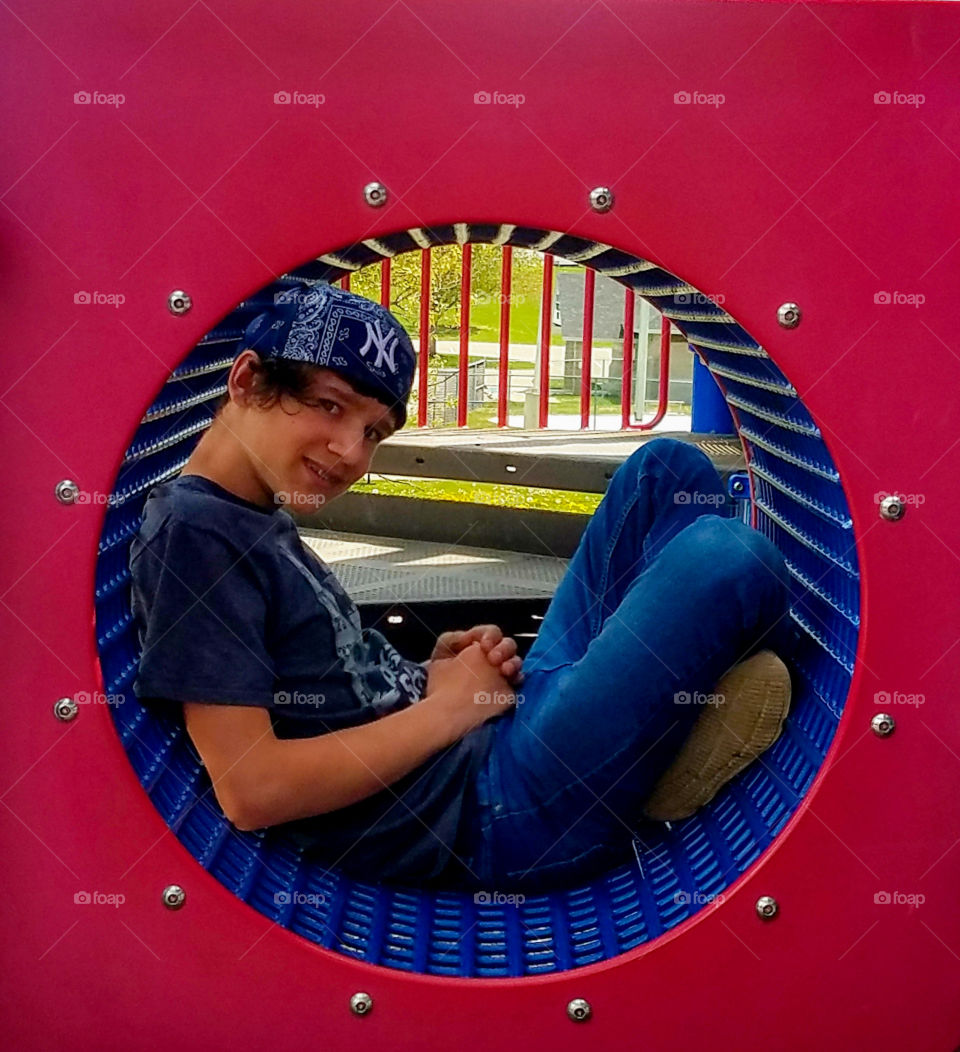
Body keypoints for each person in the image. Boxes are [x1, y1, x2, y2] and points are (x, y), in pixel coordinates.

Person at [129, 281, 792, 894]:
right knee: (726, 556)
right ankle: (651, 746)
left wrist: (432, 672)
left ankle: (648, 727)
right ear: (245, 380)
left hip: (493, 737)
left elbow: (330, 690)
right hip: (498, 815)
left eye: (374, 433)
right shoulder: (195, 533)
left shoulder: (251, 509)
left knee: (663, 468)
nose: (351, 452)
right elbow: (252, 789)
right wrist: (445, 711)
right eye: (330, 406)